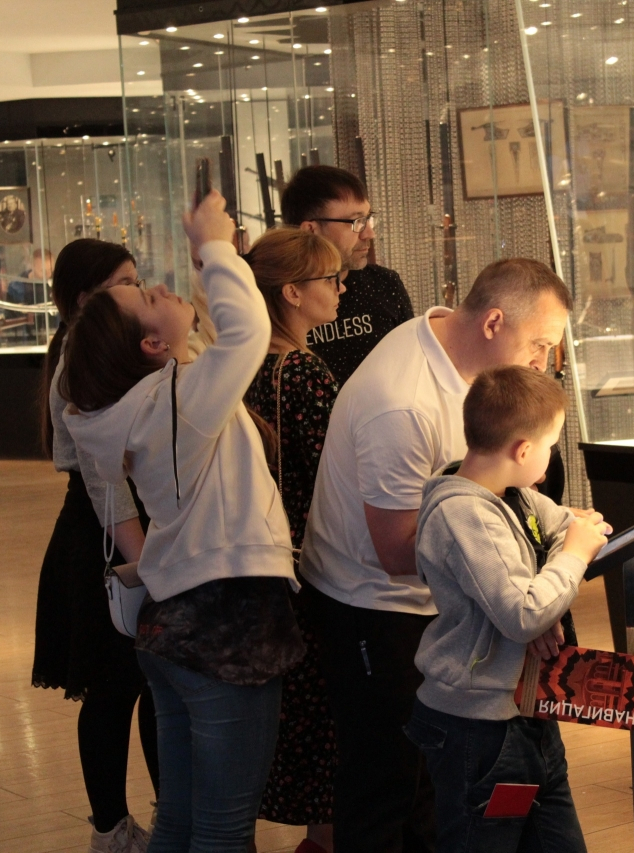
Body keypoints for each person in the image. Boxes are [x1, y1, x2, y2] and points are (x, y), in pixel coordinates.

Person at [299, 257, 573, 853]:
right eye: (539, 344)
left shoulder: (464, 354)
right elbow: (398, 551)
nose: (542, 362)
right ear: (494, 322)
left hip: (438, 600)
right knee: (388, 781)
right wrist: (517, 590)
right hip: (373, 604)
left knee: (430, 784)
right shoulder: (403, 401)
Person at [62, 192, 304, 853]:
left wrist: (210, 265)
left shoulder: (145, 406)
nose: (161, 288)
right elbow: (248, 335)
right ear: (152, 342)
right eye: (148, 295)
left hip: (171, 625)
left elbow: (217, 341)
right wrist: (214, 248)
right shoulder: (177, 403)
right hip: (227, 624)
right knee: (224, 828)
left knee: (180, 819)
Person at [406, 365, 609, 853]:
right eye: (551, 444)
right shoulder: (464, 513)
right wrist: (568, 564)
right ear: (522, 450)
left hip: (529, 712)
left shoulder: (514, 497)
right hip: (480, 730)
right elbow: (523, 614)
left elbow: (572, 528)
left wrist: (549, 592)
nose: (552, 455)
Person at [30, 238, 158, 853]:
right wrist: (146, 563)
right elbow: (105, 483)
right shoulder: (80, 363)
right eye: (122, 283)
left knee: (152, 685)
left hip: (123, 533)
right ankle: (112, 829)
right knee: (114, 689)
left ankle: (167, 815)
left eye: (135, 279)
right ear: (85, 299)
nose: (138, 292)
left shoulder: (107, 350)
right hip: (104, 539)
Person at [242, 228, 344, 853]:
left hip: (272, 557)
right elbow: (338, 469)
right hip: (316, 558)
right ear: (292, 292)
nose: (341, 288)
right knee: (329, 723)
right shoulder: (301, 371)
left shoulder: (247, 364)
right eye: (329, 279)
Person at [281, 165, 413, 385]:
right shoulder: (276, 297)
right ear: (311, 231)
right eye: (356, 222)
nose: (369, 233)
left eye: (368, 219)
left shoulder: (384, 284)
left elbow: (412, 368)